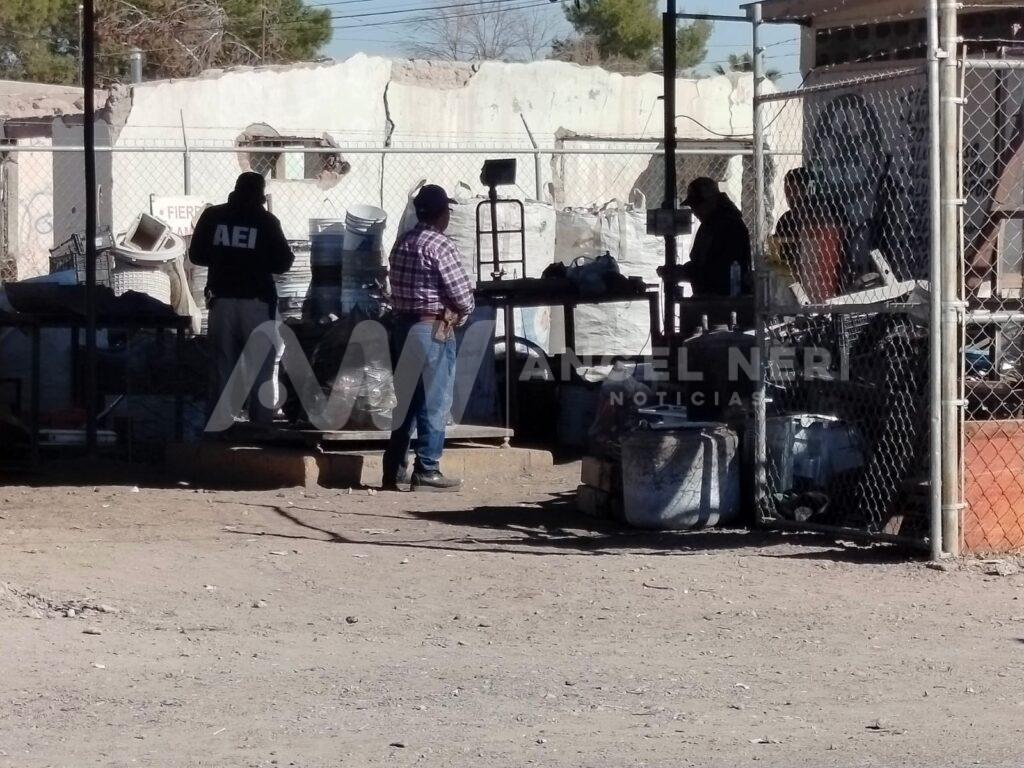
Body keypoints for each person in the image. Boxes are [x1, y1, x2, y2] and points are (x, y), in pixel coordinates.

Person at [382, 184, 475, 492]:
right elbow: (462, 296)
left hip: (403, 327)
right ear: (442, 214)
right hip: (433, 328)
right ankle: (427, 469)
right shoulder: (440, 245)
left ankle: (393, 468)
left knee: (406, 401)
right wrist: (463, 312)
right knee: (435, 400)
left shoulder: (402, 243)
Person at [189, 171, 294, 428]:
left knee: (221, 364)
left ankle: (218, 424)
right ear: (260, 194)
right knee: (260, 365)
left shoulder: (213, 216)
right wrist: (256, 261)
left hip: (221, 300)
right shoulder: (266, 221)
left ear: (235, 189)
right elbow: (284, 262)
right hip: (256, 302)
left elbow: (196, 255)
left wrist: (224, 259)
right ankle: (261, 424)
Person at [668, 177, 752, 297]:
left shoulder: (727, 226)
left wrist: (684, 272)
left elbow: (717, 271)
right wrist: (684, 271)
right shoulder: (713, 223)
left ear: (711, 201)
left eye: (697, 205)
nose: (694, 211)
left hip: (722, 300)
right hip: (714, 298)